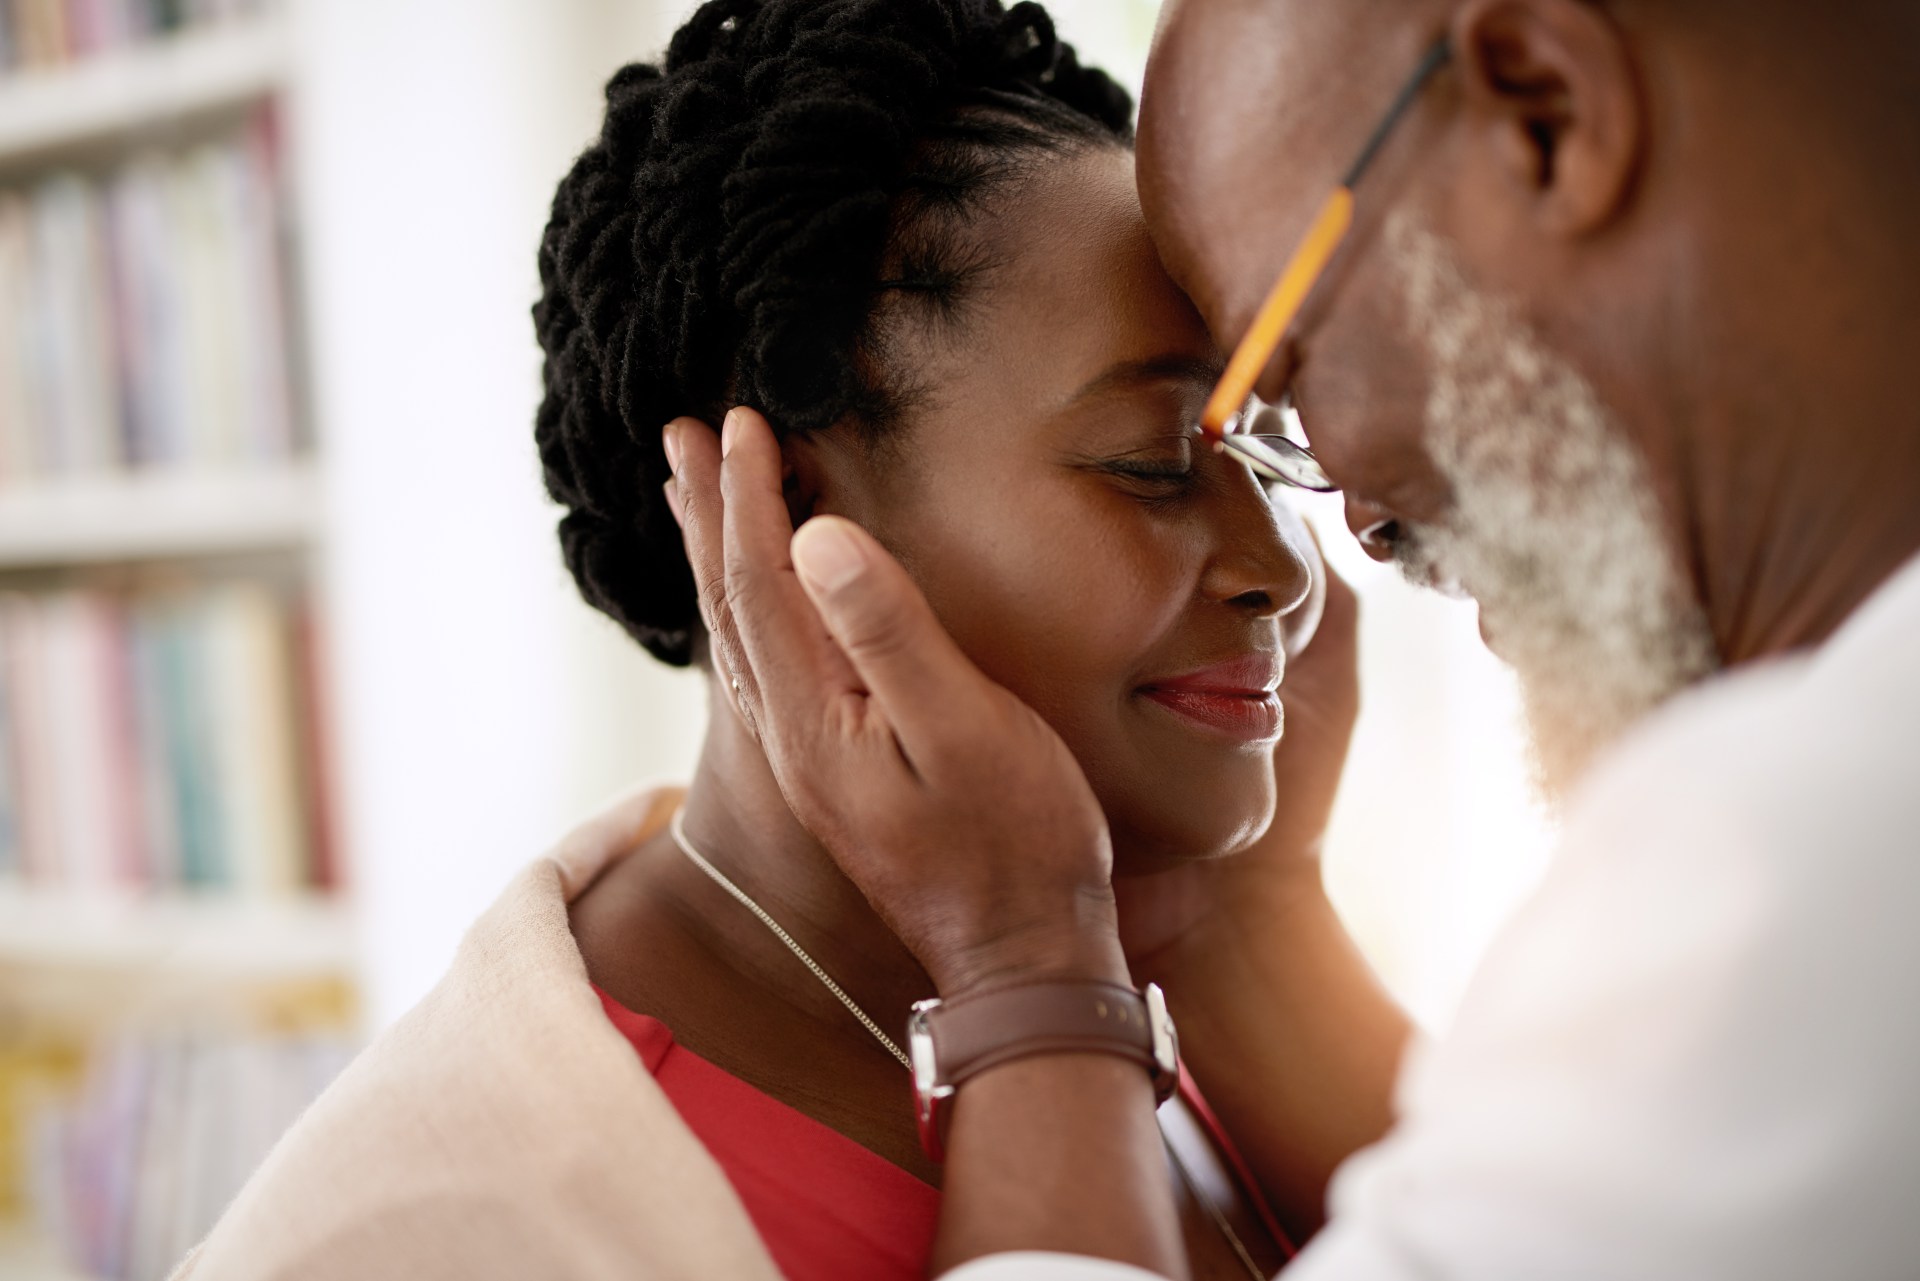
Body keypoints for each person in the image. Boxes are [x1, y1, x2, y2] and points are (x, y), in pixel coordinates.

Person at [663, 0, 1920, 1277]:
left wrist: (1027, 964)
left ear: (1545, 111)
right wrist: (1234, 919)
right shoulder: (540, 1197)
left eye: (1293, 363)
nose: (1337, 540)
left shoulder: (1813, 865)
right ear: (799, 527)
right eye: (1163, 461)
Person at [169, 2, 1373, 1278]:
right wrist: (1033, 966)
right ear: (785, 521)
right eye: (1151, 463)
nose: (1285, 571)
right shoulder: (445, 1234)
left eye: (1264, 454)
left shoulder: (1139, 959)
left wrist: (1242, 918)